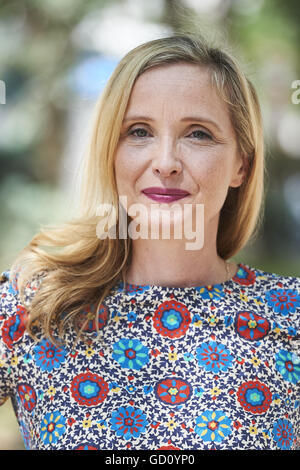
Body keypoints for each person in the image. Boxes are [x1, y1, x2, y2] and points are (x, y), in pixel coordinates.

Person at [0, 33, 299, 451]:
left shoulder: (291, 317)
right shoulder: (33, 306)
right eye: (139, 131)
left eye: (198, 134)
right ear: (112, 151)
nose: (165, 163)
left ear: (241, 165)